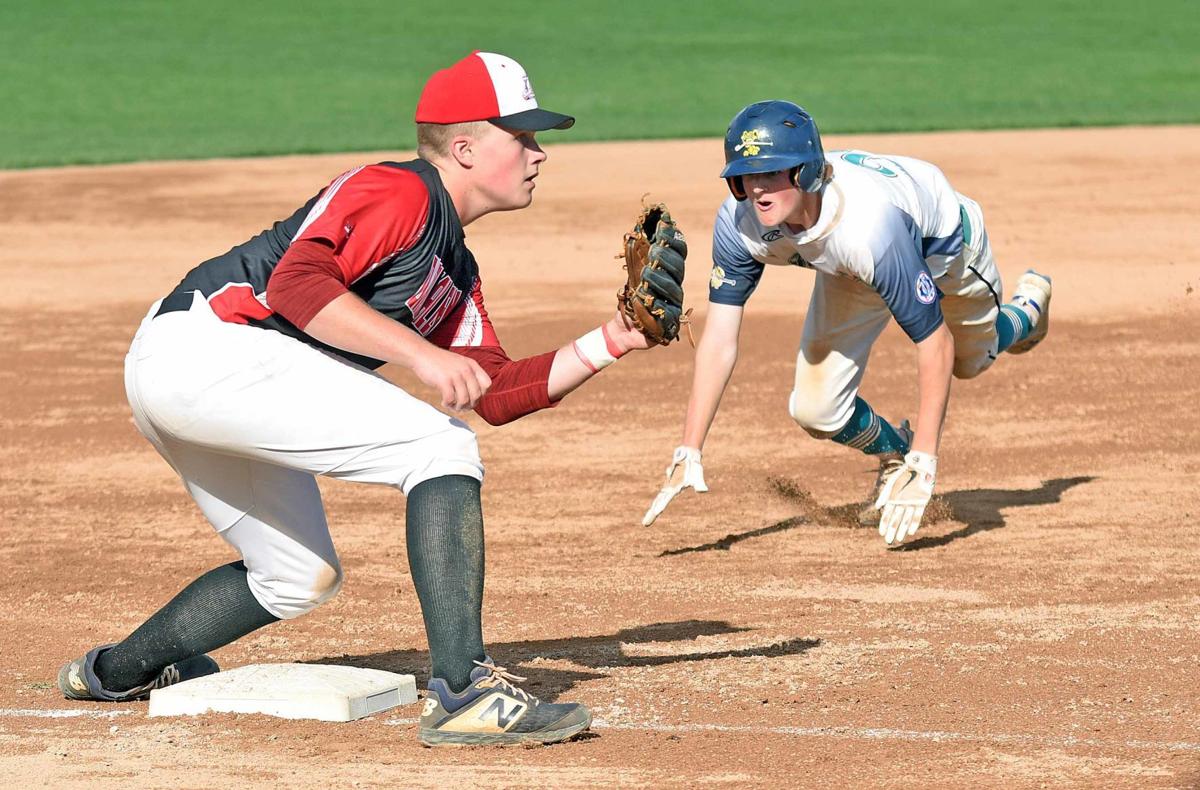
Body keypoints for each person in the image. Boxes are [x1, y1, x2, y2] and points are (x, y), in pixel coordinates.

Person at [57, 51, 658, 747]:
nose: (539, 152)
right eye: (520, 137)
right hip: (210, 350)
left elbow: (492, 393)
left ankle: (116, 671)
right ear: (463, 148)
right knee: (440, 447)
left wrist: (612, 339)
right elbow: (297, 286)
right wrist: (421, 355)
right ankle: (464, 692)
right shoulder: (398, 192)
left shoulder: (454, 267)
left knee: (296, 576)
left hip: (203, 375)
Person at [643, 100, 1052, 545]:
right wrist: (691, 445)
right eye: (746, 175)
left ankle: (1027, 310)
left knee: (970, 360)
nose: (757, 189)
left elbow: (933, 342)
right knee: (815, 411)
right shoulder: (740, 224)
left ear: (805, 172)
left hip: (944, 251)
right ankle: (893, 451)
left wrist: (926, 460)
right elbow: (720, 338)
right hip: (849, 269)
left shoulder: (869, 228)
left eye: (772, 173)